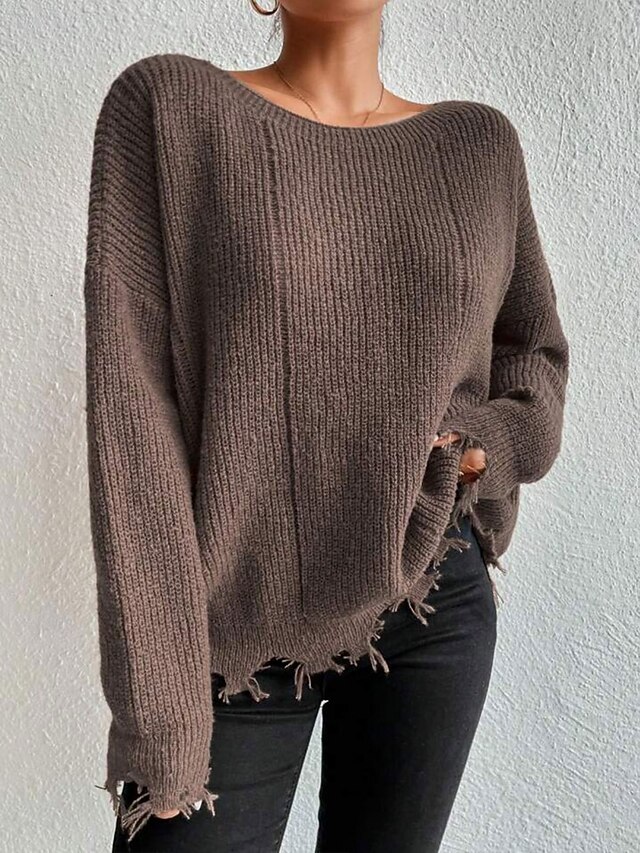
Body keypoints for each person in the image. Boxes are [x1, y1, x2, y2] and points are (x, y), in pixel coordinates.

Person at [83, 1, 570, 850]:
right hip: (233, 627)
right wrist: (159, 713)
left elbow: (535, 354)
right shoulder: (170, 109)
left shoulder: (479, 147)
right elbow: (133, 427)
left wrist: (479, 450)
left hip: (429, 599)